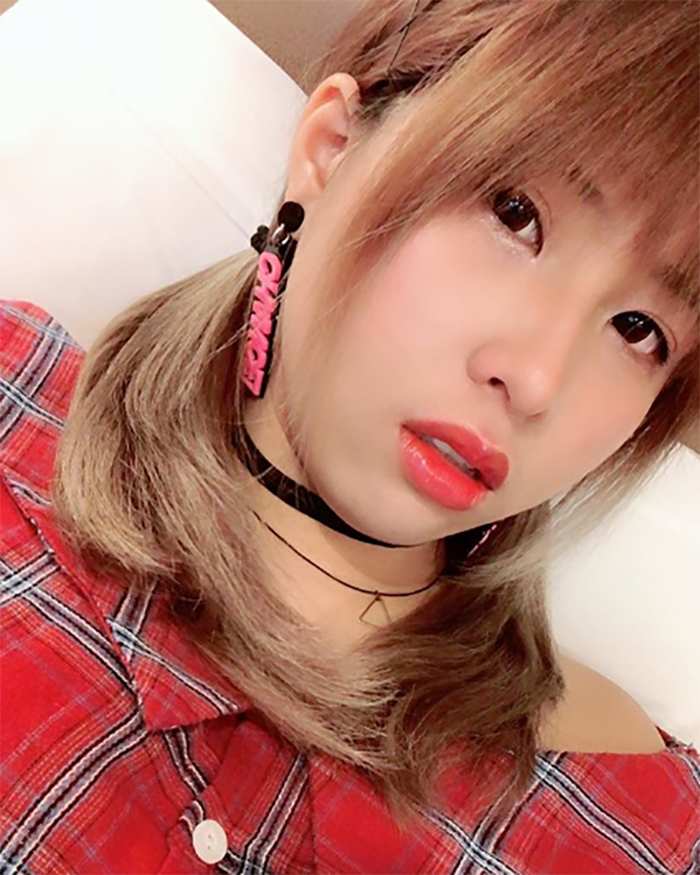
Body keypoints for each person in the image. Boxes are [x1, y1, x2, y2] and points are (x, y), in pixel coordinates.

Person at [1, 0, 699, 871]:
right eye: (516, 213)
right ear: (332, 148)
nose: (536, 379)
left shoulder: (635, 823)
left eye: (638, 329)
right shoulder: (13, 409)